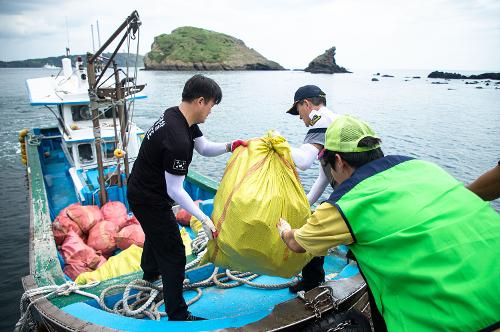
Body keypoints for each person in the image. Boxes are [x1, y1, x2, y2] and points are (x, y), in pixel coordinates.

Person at [277, 115, 499, 331]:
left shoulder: (345, 205)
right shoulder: (424, 167)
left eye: (329, 167)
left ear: (338, 161)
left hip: (457, 322)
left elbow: (297, 243)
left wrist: (285, 230)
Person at [127, 74, 246, 321]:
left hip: (141, 187)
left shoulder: (177, 116)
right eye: (212, 105)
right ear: (201, 101)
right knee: (174, 252)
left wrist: (230, 145)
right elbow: (175, 190)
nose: (211, 111)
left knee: (157, 233)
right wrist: (204, 218)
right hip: (149, 198)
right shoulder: (177, 138)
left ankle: (150, 274)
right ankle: (178, 313)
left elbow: (203, 148)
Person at [286, 85, 339, 293]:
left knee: (315, 229)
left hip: (352, 194)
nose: (300, 118)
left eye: (298, 111)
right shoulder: (333, 121)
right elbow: (325, 175)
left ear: (306, 104)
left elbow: (304, 162)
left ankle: (313, 282)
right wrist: (304, 204)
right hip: (353, 189)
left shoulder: (320, 119)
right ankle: (313, 280)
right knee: (313, 218)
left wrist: (276, 142)